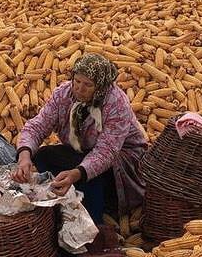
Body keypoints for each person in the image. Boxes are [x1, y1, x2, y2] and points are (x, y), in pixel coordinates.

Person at [13, 54, 147, 225]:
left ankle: (93, 223)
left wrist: (77, 173)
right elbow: (38, 126)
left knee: (92, 178)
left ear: (100, 87)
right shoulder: (64, 94)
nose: (79, 89)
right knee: (41, 156)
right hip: (83, 151)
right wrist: (24, 156)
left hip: (120, 159)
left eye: (88, 85)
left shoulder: (116, 103)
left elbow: (106, 152)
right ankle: (51, 206)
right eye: (77, 81)